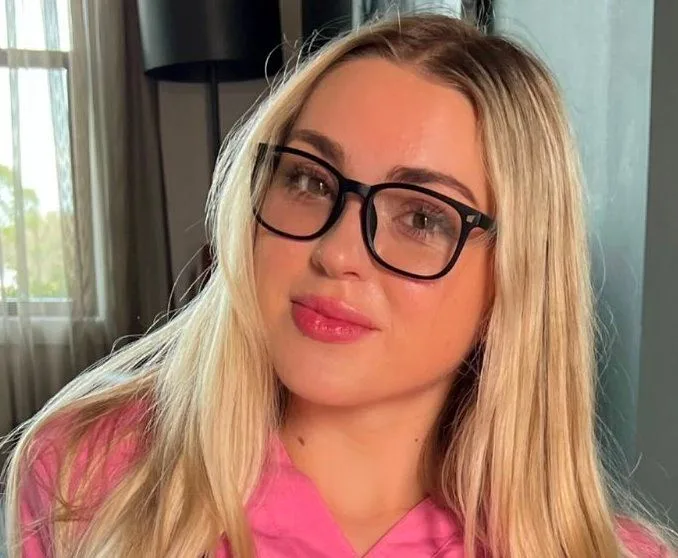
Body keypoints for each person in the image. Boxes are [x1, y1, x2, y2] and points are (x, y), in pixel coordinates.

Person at [2, 12, 676, 558]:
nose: (336, 252)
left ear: (514, 278)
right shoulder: (89, 477)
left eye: (422, 217)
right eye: (309, 180)